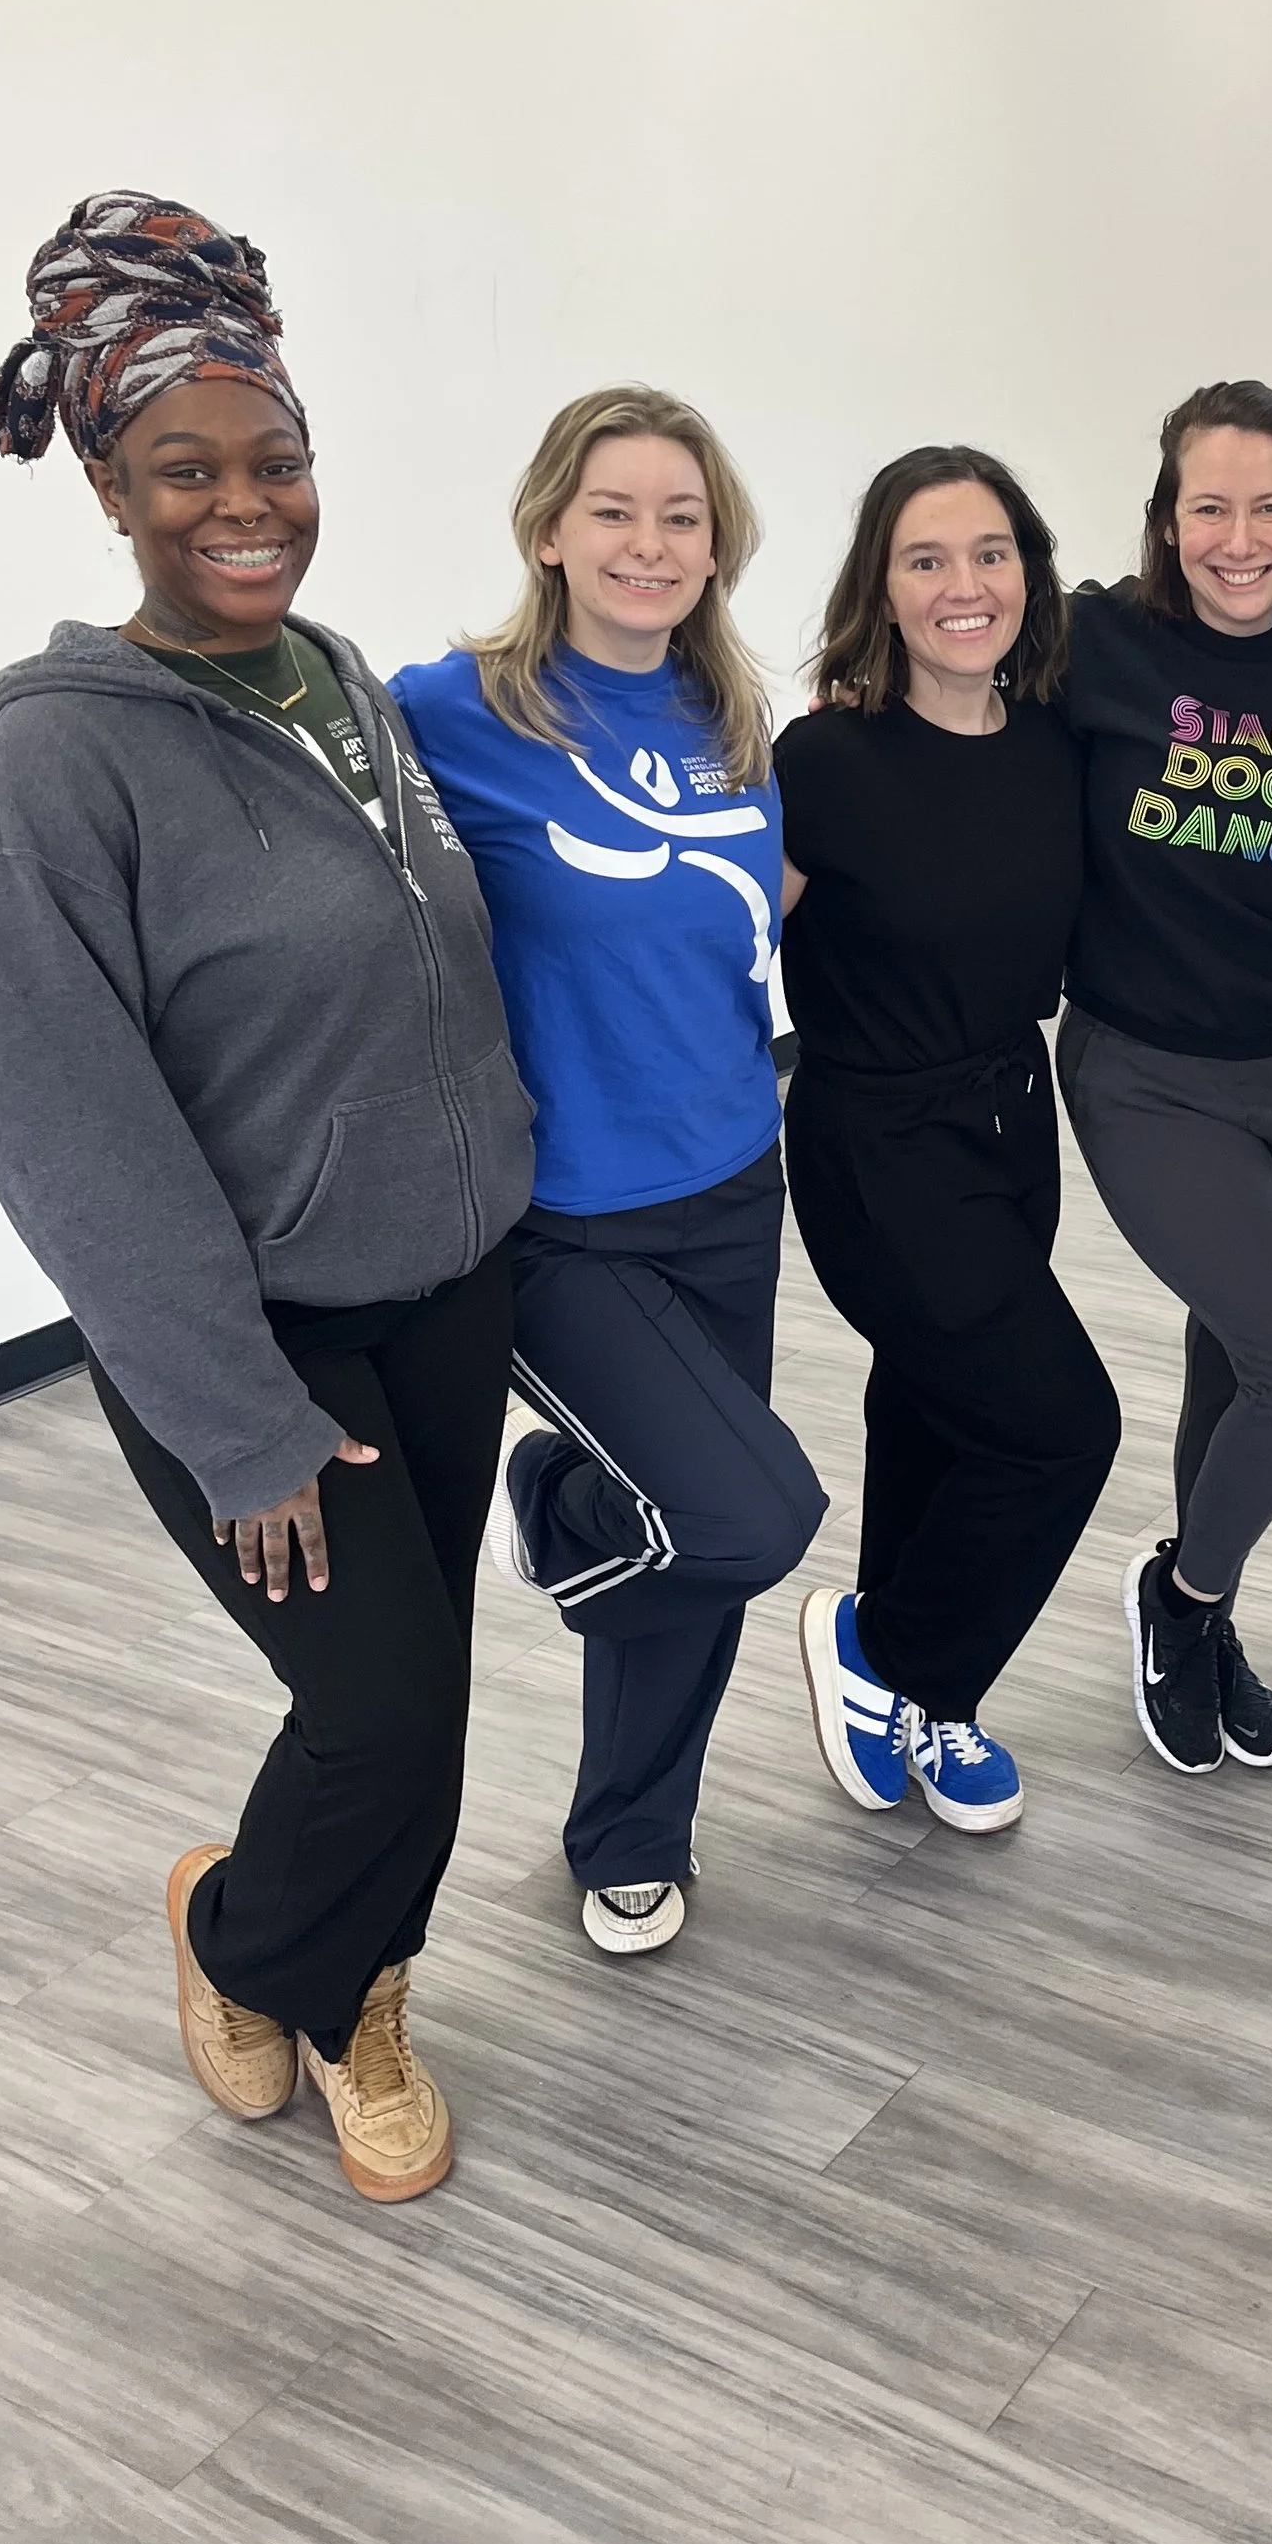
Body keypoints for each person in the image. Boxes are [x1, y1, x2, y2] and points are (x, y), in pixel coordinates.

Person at [0, 193, 534, 2201]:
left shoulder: (339, 679)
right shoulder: (55, 767)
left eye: (273, 459)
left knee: (422, 1691)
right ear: (106, 480)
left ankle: (363, 1987)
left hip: (451, 1285)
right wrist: (234, 1415)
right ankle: (242, 1939)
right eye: (186, 468)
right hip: (257, 1339)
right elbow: (56, 1117)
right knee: (380, 1708)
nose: (243, 503)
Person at [388, 388, 824, 1960]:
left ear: (719, 549)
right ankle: (569, 1499)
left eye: (682, 519)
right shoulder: (448, 712)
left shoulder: (733, 728)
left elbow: (748, 919)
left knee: (700, 1534)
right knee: (746, 1518)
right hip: (563, 1219)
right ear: (550, 531)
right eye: (617, 512)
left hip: (732, 1180)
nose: (651, 545)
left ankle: (634, 1830)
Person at [779, 448, 1120, 1831]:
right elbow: (711, 934)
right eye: (926, 559)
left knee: (931, 1406)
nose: (962, 585)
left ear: (1029, 573)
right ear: (883, 586)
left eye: (989, 553)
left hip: (1007, 1122)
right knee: (1059, 1428)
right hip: (876, 1141)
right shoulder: (827, 758)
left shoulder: (1056, 741)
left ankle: (940, 1702)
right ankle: (885, 1649)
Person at [1058, 381, 1272, 1776]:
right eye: (1211, 507)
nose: (1240, 538)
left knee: (1244, 1346)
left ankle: (1211, 1612)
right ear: (1166, 520)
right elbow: (943, 672)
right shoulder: (1098, 642)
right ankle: (1180, 1592)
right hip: (1150, 1076)